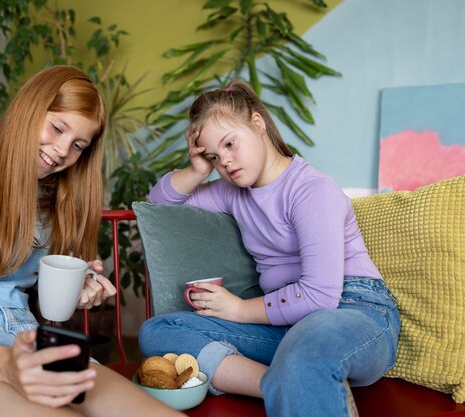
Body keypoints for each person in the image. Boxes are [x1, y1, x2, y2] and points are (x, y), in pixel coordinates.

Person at [0, 65, 184, 417]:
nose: (62, 152)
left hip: (30, 339)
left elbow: (28, 297)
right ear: (29, 109)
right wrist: (5, 363)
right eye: (57, 128)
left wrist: (74, 289)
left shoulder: (45, 202)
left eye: (78, 145)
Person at [138, 80, 401, 417]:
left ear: (258, 123)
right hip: (285, 325)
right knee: (159, 331)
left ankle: (298, 375)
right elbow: (161, 203)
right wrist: (196, 170)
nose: (226, 162)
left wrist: (237, 310)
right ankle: (281, 382)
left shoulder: (311, 190)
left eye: (231, 144)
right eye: (215, 156)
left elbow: (321, 296)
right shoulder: (232, 191)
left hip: (353, 312)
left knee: (307, 347)